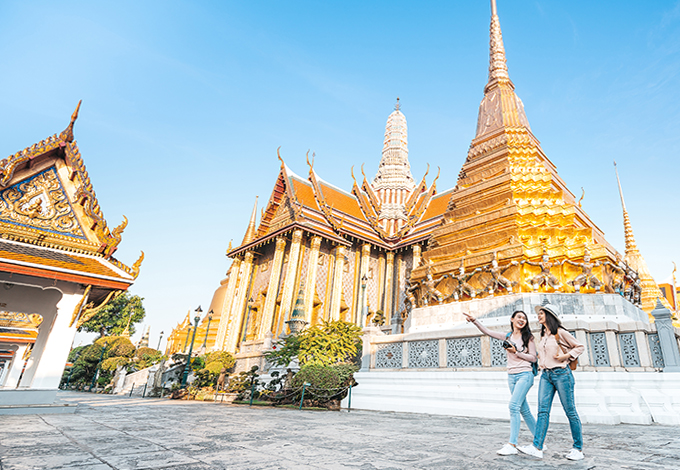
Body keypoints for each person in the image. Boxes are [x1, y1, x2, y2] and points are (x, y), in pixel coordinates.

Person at [463, 310, 537, 455]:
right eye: (519, 317)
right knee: (524, 410)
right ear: (512, 319)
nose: (522, 320)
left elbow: (533, 358)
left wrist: (516, 352)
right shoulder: (507, 336)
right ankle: (539, 440)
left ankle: (512, 444)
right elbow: (488, 332)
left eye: (524, 318)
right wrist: (474, 320)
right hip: (512, 376)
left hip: (525, 374)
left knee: (513, 407)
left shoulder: (529, 337)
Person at [518, 303, 585, 461]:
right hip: (546, 376)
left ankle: (578, 448)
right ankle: (537, 446)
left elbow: (579, 346)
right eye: (539, 313)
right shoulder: (543, 335)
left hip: (562, 374)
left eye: (541, 313)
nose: (538, 315)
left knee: (570, 411)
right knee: (542, 411)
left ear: (549, 316)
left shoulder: (560, 332)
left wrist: (565, 357)